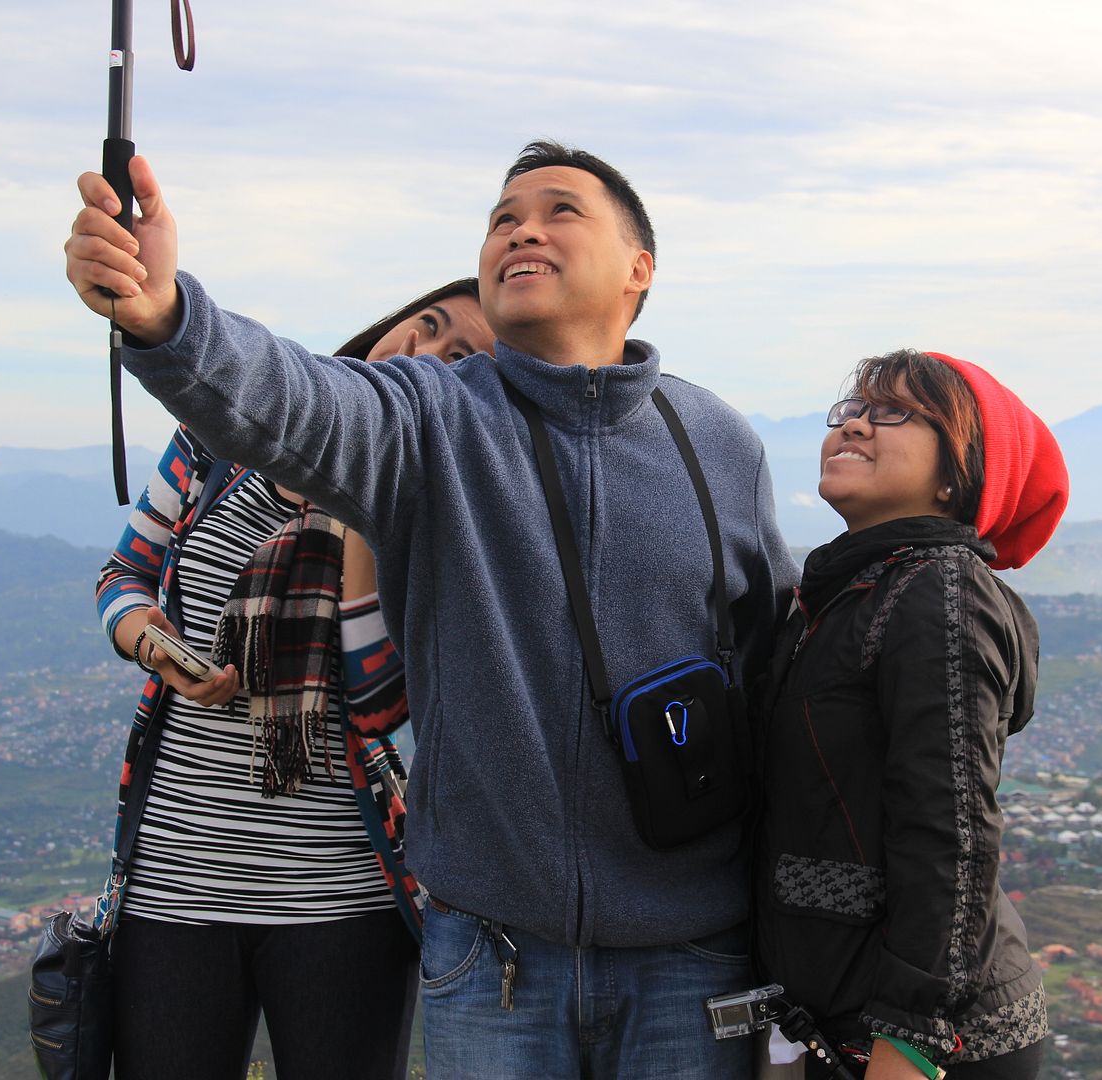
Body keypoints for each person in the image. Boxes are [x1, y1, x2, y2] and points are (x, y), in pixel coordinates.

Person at [66, 141, 798, 1078]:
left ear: (639, 268)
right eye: (503, 217)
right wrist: (167, 315)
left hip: (691, 951)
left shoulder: (716, 444)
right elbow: (291, 399)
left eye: (560, 211)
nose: (522, 227)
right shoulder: (430, 420)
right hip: (492, 956)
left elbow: (775, 671)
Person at [94, 279, 493, 1080]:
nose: (422, 352)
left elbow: (380, 701)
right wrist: (155, 648)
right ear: (394, 319)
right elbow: (123, 575)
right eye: (427, 324)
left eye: (458, 359)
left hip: (340, 896)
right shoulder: (218, 438)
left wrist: (359, 493)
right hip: (175, 878)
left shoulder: (437, 505)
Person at [752, 349, 1067, 1080]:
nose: (855, 424)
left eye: (893, 412)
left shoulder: (937, 595)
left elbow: (950, 830)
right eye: (851, 410)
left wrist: (910, 1038)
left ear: (958, 473)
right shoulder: (843, 594)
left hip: (925, 1042)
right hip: (837, 1017)